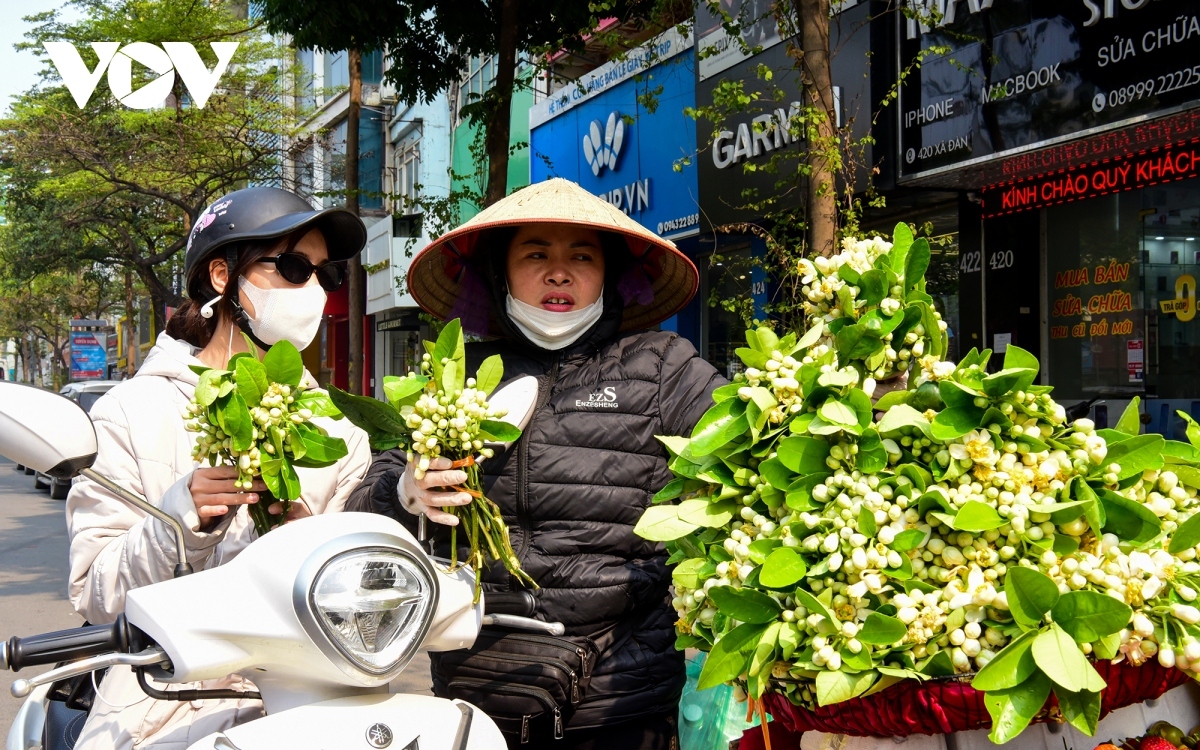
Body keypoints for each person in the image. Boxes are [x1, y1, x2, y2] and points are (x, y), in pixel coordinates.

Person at [349, 178, 725, 749]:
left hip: (619, 700)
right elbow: (363, 500)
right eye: (536, 255)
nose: (559, 273)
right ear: (501, 273)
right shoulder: (459, 375)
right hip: (478, 690)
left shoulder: (664, 368)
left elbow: (747, 446)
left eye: (581, 256)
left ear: (609, 274)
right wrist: (403, 492)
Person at [67, 187, 372, 750]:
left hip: (316, 706)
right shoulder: (130, 415)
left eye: (323, 274)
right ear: (221, 276)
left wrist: (311, 542)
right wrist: (180, 521)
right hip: (165, 704)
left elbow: (366, 599)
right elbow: (93, 592)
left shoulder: (339, 433)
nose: (313, 291)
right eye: (292, 266)